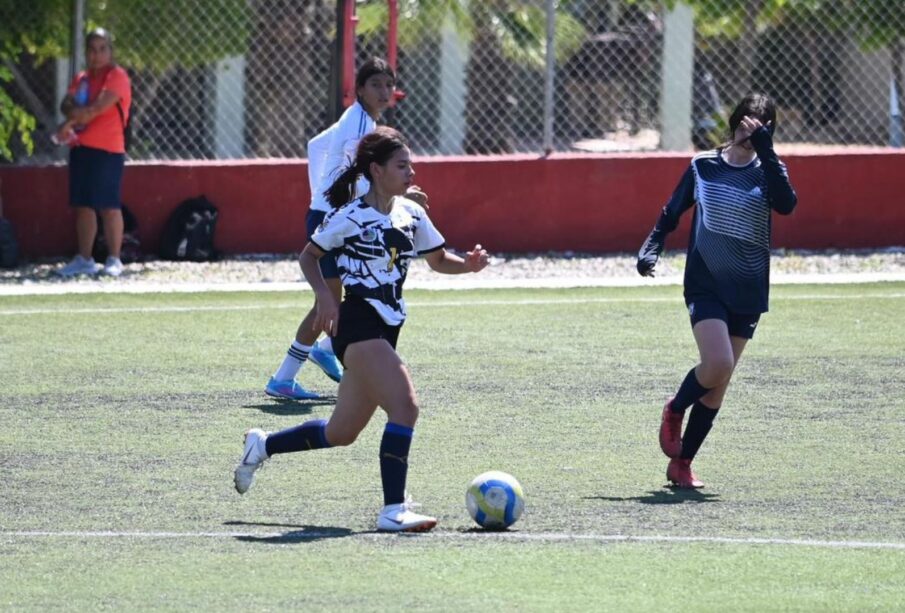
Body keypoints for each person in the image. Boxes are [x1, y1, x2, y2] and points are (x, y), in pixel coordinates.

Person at [235, 127, 490, 532]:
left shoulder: (412, 213)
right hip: (355, 323)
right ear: (376, 170)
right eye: (401, 165)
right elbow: (309, 256)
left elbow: (438, 259)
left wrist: (469, 264)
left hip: (388, 327)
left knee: (341, 432)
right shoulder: (350, 216)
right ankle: (393, 510)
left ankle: (262, 445)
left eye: (411, 165)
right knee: (405, 406)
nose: (411, 172)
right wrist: (324, 296)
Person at [636, 93, 797, 488]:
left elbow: (787, 205)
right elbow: (672, 210)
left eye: (761, 125)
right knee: (718, 363)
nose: (751, 130)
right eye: (746, 122)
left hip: (749, 287)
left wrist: (767, 151)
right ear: (733, 122)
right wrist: (652, 246)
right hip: (706, 282)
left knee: (719, 383)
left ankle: (682, 463)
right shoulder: (703, 166)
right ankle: (674, 408)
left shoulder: (770, 169)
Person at [265, 57, 428, 401]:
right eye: (376, 85)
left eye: (389, 85)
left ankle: (321, 351)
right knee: (329, 302)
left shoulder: (357, 119)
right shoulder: (359, 126)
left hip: (332, 214)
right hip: (336, 220)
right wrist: (395, 196)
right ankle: (286, 377)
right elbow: (363, 174)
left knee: (347, 295)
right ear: (360, 89)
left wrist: (320, 195)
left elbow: (315, 147)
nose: (385, 91)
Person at [55, 28, 131, 278]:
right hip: (80, 148)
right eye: (92, 49)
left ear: (110, 51)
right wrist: (74, 115)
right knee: (83, 206)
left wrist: (72, 118)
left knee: (109, 205)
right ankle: (85, 259)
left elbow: (96, 109)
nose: (97, 55)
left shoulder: (117, 76)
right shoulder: (82, 78)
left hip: (108, 150)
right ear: (86, 52)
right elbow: (66, 104)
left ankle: (114, 259)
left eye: (102, 49)